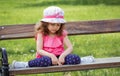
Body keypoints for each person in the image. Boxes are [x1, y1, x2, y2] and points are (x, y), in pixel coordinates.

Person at [12, 6, 82, 68]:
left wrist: (63, 55)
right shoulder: (41, 33)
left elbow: (70, 47)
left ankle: (85, 59)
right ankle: (25, 64)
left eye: (58, 25)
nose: (55, 27)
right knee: (45, 61)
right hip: (47, 57)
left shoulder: (62, 33)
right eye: (52, 24)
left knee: (75, 58)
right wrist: (52, 56)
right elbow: (39, 50)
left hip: (60, 57)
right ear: (46, 24)